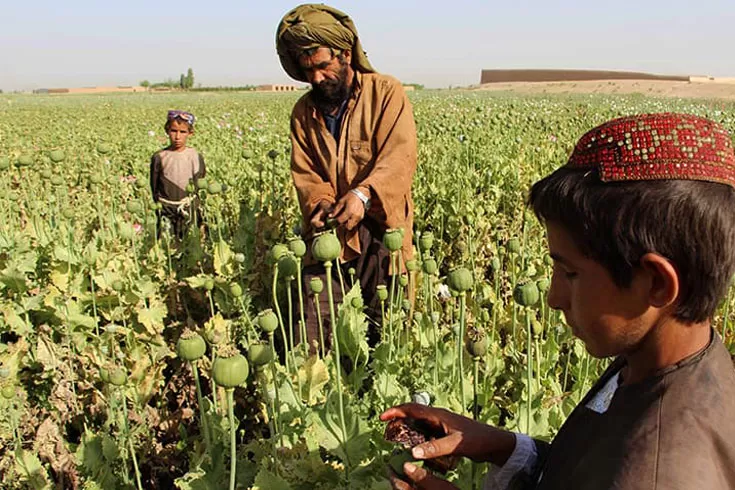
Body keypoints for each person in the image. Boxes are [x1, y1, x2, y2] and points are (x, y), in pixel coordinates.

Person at [381, 113, 735, 489]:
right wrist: (498, 446)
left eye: (570, 274)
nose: (553, 298)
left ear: (657, 285)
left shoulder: (658, 475)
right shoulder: (659, 361)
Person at [276, 4, 417, 348]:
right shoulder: (303, 113)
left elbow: (399, 158)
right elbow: (307, 174)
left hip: (384, 235)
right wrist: (322, 204)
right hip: (330, 239)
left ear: (344, 54)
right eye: (307, 70)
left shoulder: (385, 93)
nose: (316, 78)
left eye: (323, 66)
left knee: (387, 336)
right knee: (312, 336)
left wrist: (363, 194)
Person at [149, 110, 206, 239]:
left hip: (188, 208)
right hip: (166, 209)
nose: (177, 136)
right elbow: (154, 186)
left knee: (190, 242)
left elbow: (199, 184)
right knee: (167, 243)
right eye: (174, 131)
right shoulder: (159, 157)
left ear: (190, 133)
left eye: (183, 132)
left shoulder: (195, 157)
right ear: (167, 131)